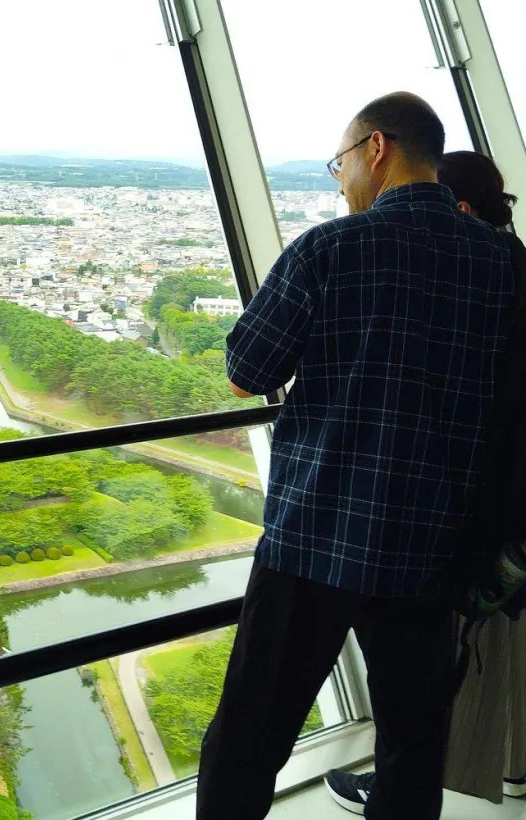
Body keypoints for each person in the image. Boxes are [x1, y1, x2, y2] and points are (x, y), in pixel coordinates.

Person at [196, 92, 521, 820]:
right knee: (411, 743)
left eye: (339, 163)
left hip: (314, 537)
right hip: (430, 549)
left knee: (250, 735)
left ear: (376, 149)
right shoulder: (502, 262)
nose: (340, 179)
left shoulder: (331, 248)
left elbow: (247, 368)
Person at [325, 152, 525, 813]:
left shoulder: (491, 275)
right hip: (505, 505)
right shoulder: (508, 265)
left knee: (437, 666)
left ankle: (404, 787)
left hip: (475, 508)